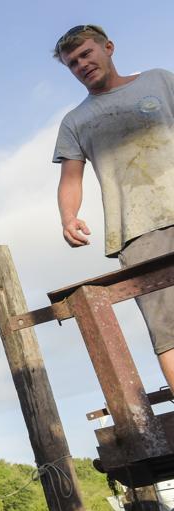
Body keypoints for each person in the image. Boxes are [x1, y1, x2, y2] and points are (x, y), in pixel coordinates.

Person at [53, 24, 174, 391]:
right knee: (167, 330)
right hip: (137, 232)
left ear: (108, 47)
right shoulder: (75, 121)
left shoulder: (158, 81)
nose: (81, 64)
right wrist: (68, 217)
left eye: (86, 54)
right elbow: (71, 178)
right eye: (72, 63)